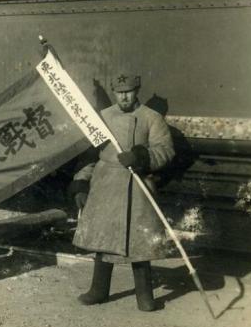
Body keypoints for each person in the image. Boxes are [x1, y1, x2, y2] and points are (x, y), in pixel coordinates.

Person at [68, 73, 175, 311]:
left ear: (137, 91)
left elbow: (165, 150)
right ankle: (98, 290)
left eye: (128, 91)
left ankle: (145, 296)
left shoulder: (151, 118)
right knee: (103, 242)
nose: (124, 96)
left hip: (138, 185)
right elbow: (88, 156)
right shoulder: (102, 119)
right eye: (119, 92)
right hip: (105, 186)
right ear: (114, 92)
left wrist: (141, 157)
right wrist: (81, 184)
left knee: (140, 244)